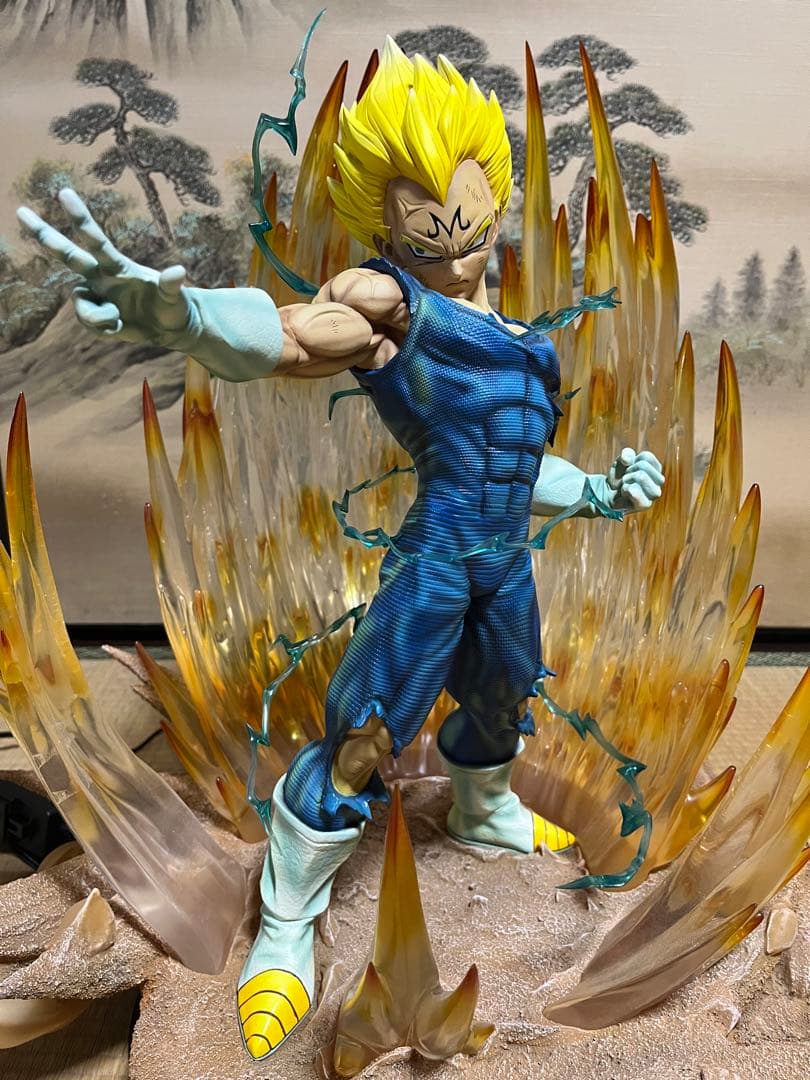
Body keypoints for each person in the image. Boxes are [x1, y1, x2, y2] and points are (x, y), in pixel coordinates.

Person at [18, 38, 664, 1062]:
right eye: (423, 219)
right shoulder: (389, 304)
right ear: (387, 222)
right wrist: (185, 315)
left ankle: (484, 808)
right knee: (364, 735)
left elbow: (514, 464)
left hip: (504, 565)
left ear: (493, 198)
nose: (450, 234)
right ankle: (285, 924)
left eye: (464, 209)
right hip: (436, 562)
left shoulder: (530, 350)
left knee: (507, 698)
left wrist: (594, 491)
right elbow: (292, 336)